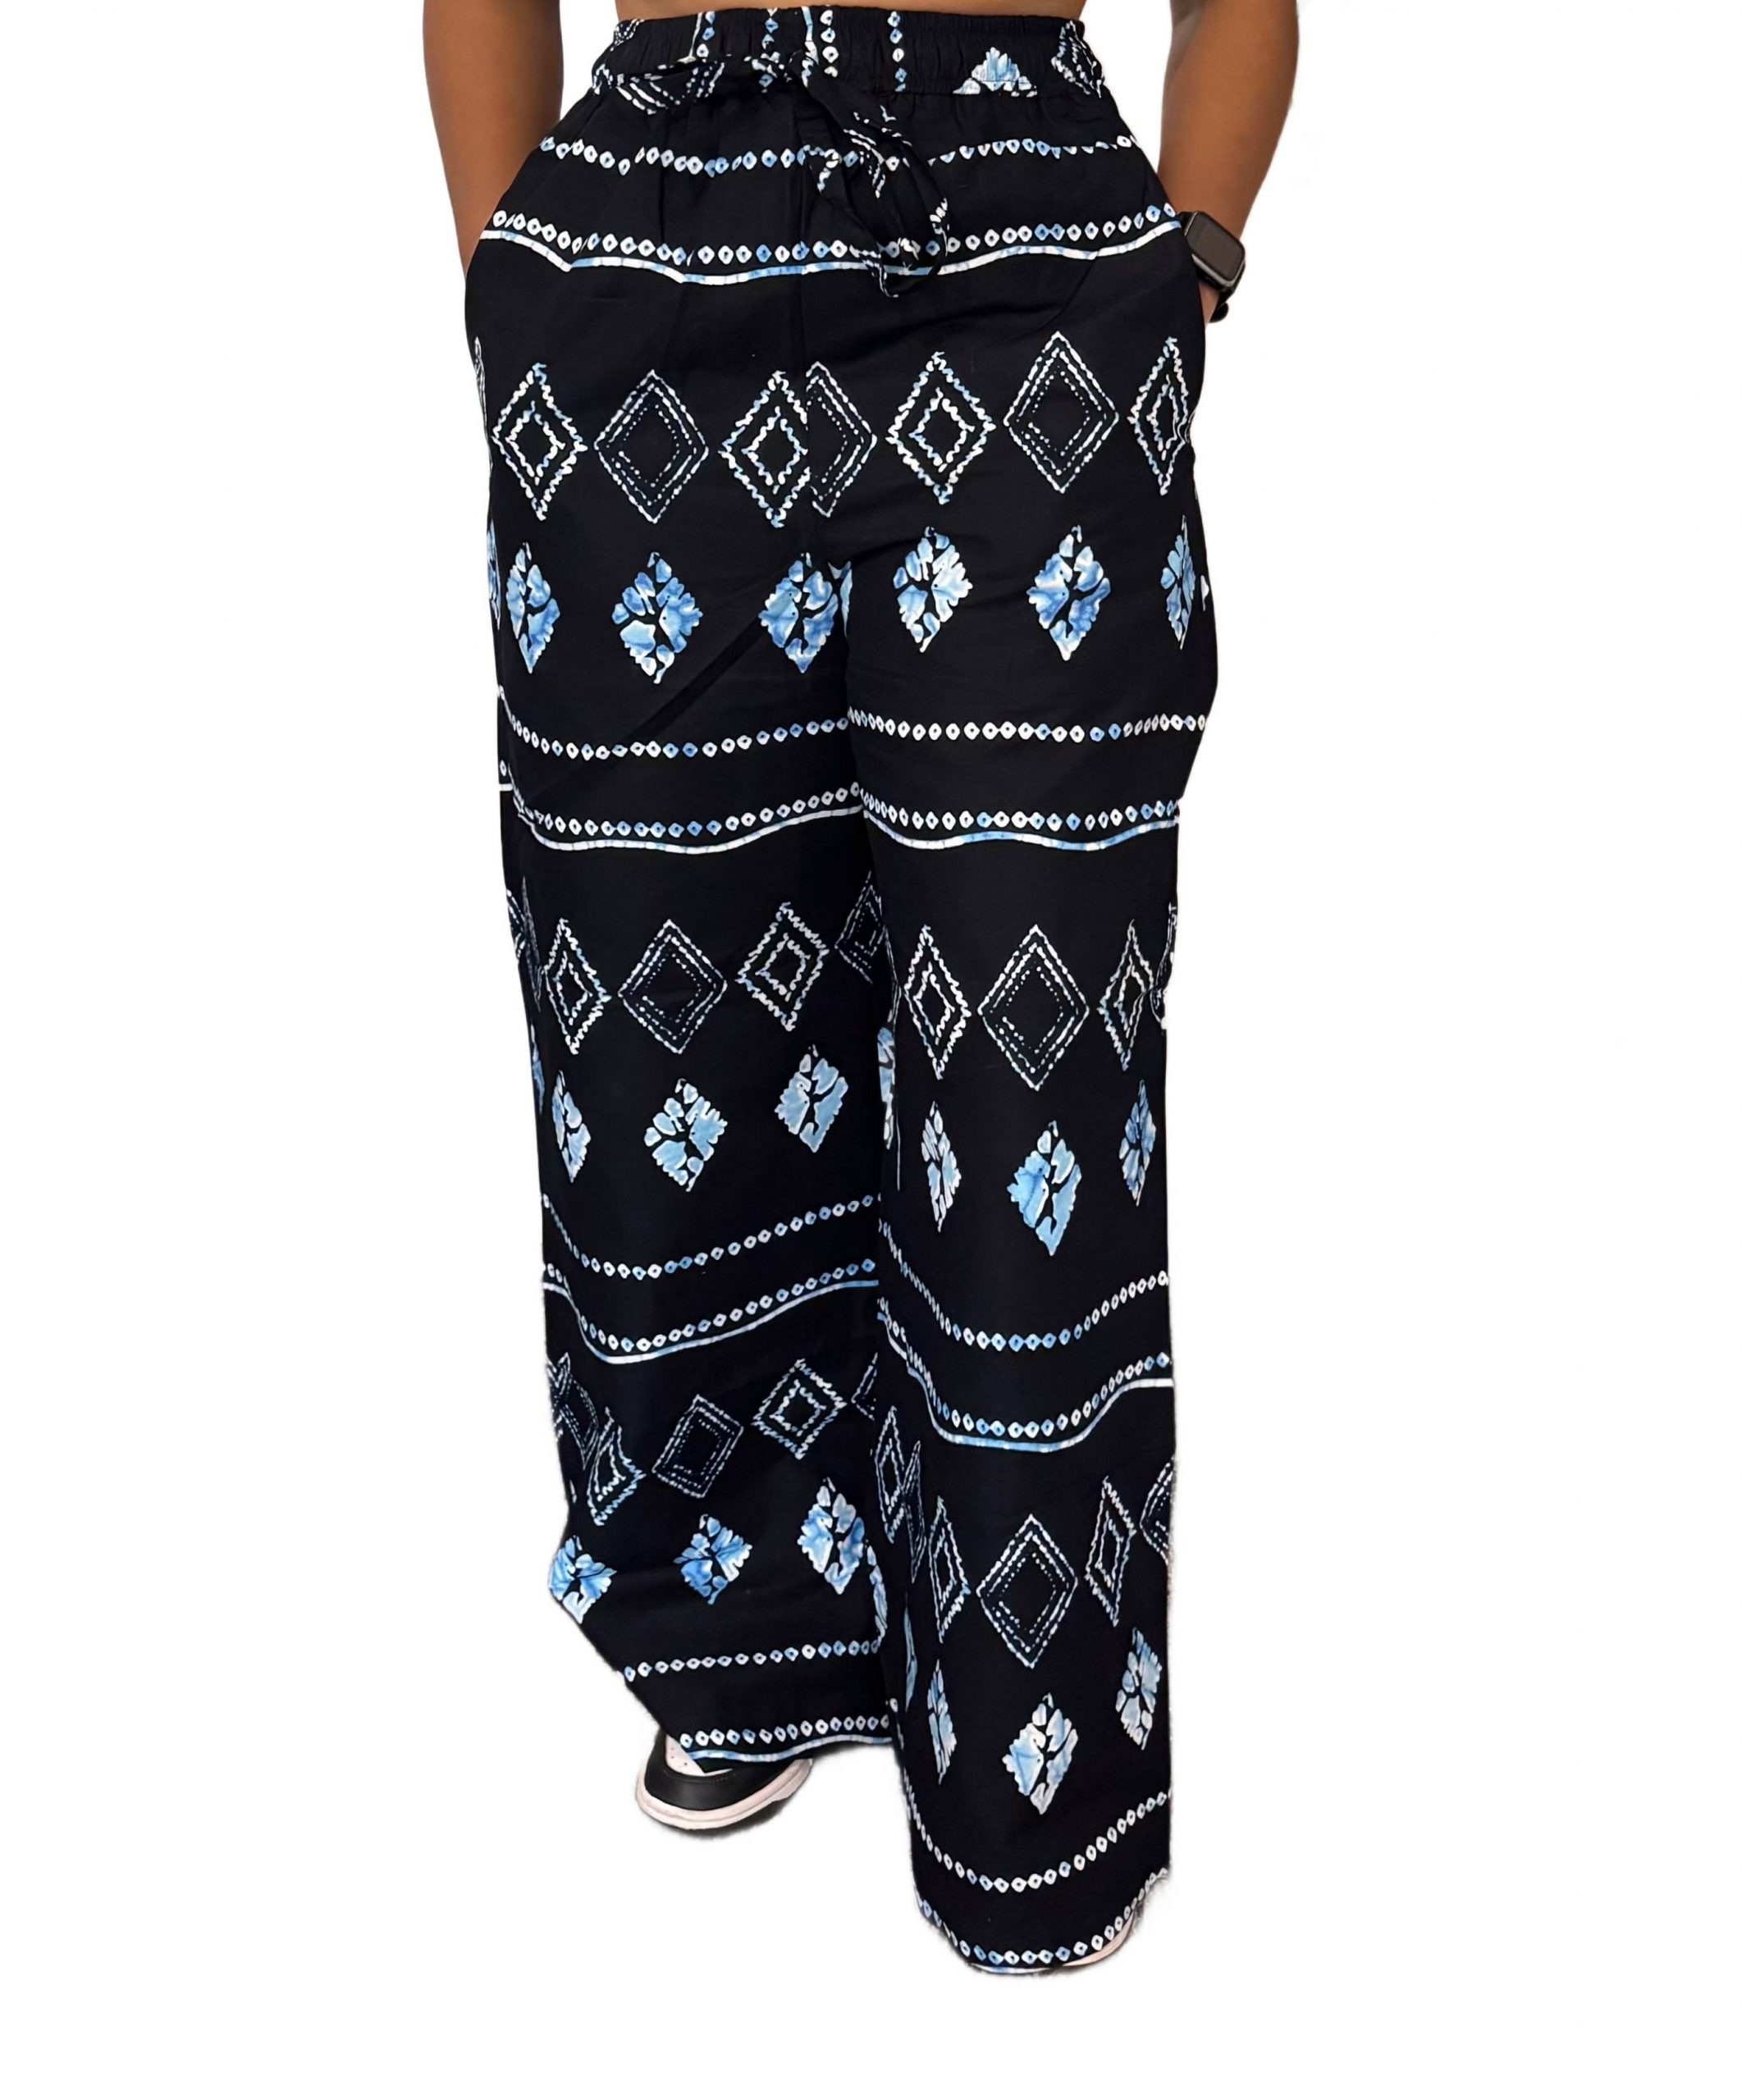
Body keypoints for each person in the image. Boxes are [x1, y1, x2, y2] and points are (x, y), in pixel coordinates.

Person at [426, 0, 1296, 1972]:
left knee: (1031, 1051)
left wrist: (1189, 270)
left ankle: (1030, 1779)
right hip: (652, 250)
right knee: (657, 996)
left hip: (1025, 261)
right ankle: (740, 1630)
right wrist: (507, 287)